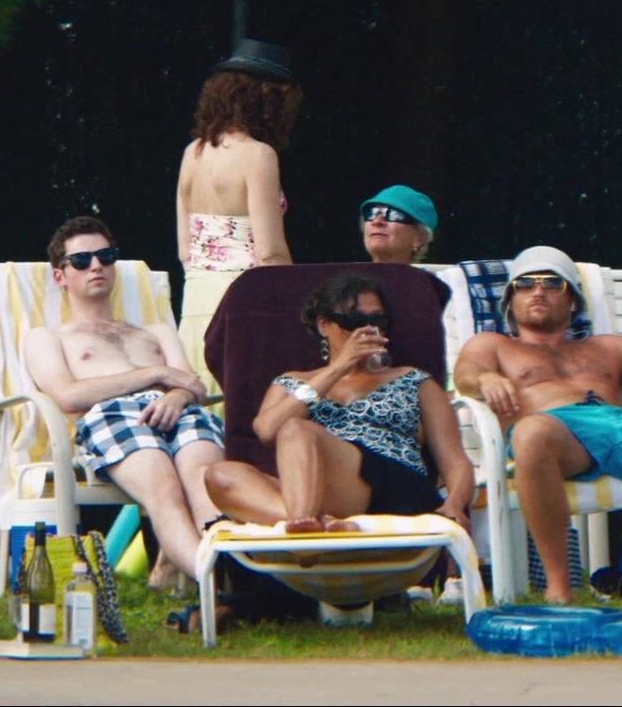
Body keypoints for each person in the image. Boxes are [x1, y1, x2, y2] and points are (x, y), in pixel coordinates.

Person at [24, 216, 227, 585]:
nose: (96, 266)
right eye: (81, 260)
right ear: (60, 276)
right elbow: (69, 396)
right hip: (112, 415)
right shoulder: (48, 337)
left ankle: (222, 580)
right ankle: (214, 585)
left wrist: (177, 395)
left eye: (105, 256)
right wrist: (156, 373)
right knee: (164, 490)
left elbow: (191, 384)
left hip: (178, 409)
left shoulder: (156, 331)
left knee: (207, 483)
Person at [455, 245, 622, 604]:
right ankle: (560, 588)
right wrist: (485, 379)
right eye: (525, 284)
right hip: (555, 433)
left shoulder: (609, 347)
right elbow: (466, 372)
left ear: (573, 301)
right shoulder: (494, 345)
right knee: (531, 433)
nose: (538, 291)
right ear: (510, 301)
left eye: (552, 283)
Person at [204, 274, 474, 535]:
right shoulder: (293, 382)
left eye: (378, 320)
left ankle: (304, 537)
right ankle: (317, 524)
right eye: (354, 321)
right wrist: (337, 369)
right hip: (321, 491)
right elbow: (267, 430)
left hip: (395, 485)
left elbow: (455, 461)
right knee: (221, 476)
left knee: (297, 429)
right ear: (324, 324)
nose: (368, 330)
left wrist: (453, 505)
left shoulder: (413, 379)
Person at [176, 39, 303, 398]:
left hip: (196, 299)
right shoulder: (258, 155)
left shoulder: (193, 152)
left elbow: (185, 249)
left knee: (204, 403)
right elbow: (270, 252)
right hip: (245, 304)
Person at [359, 185, 438, 264]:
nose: (376, 221)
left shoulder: (436, 273)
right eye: (371, 213)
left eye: (394, 215)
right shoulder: (352, 272)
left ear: (420, 238)